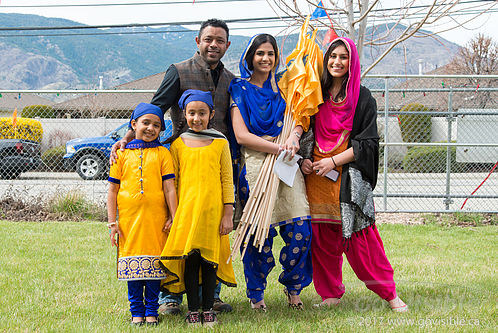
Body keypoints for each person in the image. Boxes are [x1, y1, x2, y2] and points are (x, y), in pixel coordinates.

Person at [110, 18, 234, 315]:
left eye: (219, 40)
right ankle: (170, 296)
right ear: (198, 41)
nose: (213, 45)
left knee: (211, 231)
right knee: (177, 230)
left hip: (216, 162)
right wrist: (126, 138)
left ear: (227, 45)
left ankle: (208, 295)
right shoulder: (179, 71)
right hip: (179, 164)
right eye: (208, 39)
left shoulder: (231, 79)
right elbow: (156, 107)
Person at [299, 37, 408, 312]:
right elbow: (303, 132)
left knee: (362, 241)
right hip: (315, 178)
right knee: (322, 240)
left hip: (347, 178)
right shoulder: (315, 95)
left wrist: (333, 161)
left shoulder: (363, 98)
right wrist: (304, 161)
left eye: (343, 57)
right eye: (332, 56)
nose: (336, 62)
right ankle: (330, 293)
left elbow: (367, 143)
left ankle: (390, 294)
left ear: (352, 62)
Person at [229, 34, 313, 311]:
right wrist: (276, 148)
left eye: (271, 54)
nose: (265, 59)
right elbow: (241, 135)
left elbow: (299, 119)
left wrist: (294, 136)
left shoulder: (287, 88)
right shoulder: (239, 88)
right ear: (250, 57)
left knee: (301, 228)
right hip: (255, 163)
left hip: (287, 162)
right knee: (257, 234)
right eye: (260, 53)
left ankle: (293, 287)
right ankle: (256, 295)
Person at [159, 89, 236, 327]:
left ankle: (208, 310)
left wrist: (228, 213)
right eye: (192, 113)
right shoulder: (178, 145)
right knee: (191, 261)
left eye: (202, 113)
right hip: (187, 214)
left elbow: (226, 179)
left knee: (210, 262)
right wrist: (174, 215)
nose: (197, 118)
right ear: (185, 114)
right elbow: (175, 183)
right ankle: (193, 310)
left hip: (213, 215)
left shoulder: (220, 142)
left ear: (211, 114)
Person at [107, 103, 178, 326]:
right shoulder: (121, 154)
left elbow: (169, 188)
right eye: (145, 123)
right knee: (133, 269)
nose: (150, 128)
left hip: (156, 222)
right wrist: (112, 222)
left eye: (156, 125)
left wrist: (174, 217)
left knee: (154, 268)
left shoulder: (163, 153)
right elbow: (112, 190)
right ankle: (136, 312)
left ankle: (151, 311)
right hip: (128, 223)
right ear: (133, 124)